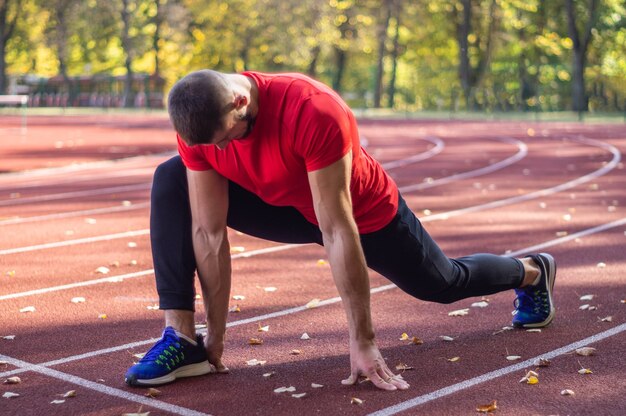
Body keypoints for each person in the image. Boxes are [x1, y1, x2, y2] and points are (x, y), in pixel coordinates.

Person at [124, 70, 557, 390]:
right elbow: (208, 233)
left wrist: (362, 340)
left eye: (226, 139)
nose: (219, 151)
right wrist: (213, 340)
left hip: (359, 213)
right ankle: (181, 339)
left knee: (441, 284)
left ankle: (532, 271)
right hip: (281, 201)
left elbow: (336, 227)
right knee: (171, 178)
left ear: (240, 102)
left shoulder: (313, 110)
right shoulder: (199, 127)